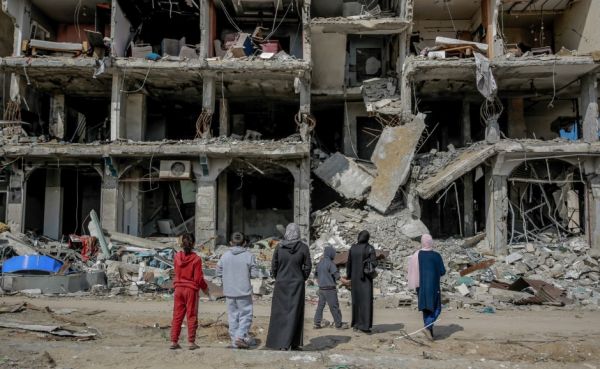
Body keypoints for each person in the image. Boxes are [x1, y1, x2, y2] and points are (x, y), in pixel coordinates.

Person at [265, 223, 311, 350]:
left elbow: (274, 266)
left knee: (280, 313)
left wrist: (279, 277)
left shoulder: (279, 247)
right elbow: (308, 267)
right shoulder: (303, 247)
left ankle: (280, 343)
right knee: (295, 312)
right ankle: (293, 343)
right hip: (297, 284)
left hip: (281, 284)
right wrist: (301, 278)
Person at [216, 232, 259, 349]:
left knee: (233, 317)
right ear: (244, 243)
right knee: (246, 316)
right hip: (244, 291)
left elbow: (218, 272)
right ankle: (240, 337)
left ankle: (235, 341)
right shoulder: (249, 256)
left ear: (230, 242)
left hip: (229, 292)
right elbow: (255, 274)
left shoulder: (224, 256)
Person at [170, 233, 209, 350]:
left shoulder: (177, 257)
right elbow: (198, 278)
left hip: (178, 289)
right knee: (191, 315)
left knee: (177, 315)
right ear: (194, 244)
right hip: (190, 290)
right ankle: (191, 342)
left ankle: (173, 341)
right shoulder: (196, 259)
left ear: (181, 243)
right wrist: (205, 288)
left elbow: (176, 271)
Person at [407, 234, 446, 341]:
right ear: (431, 242)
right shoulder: (436, 256)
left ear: (422, 242)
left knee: (426, 309)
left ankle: (430, 334)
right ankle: (428, 327)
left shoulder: (416, 255)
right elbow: (443, 271)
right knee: (437, 309)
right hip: (433, 288)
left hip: (420, 287)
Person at [347, 230, 377, 333]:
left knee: (356, 302)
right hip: (366, 280)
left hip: (355, 279)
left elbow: (349, 263)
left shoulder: (353, 248)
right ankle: (364, 326)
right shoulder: (370, 248)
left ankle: (356, 324)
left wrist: (349, 276)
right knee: (366, 302)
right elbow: (374, 262)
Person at [313, 245, 349, 330]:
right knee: (334, 307)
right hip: (330, 290)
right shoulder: (331, 263)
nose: (334, 255)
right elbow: (338, 277)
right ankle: (338, 324)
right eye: (333, 253)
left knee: (320, 307)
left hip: (321, 289)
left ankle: (316, 323)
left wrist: (321, 283)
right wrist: (347, 282)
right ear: (331, 253)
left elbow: (316, 277)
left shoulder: (319, 263)